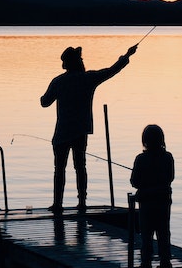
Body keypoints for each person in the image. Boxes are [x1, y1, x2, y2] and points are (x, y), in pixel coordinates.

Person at [40, 44, 137, 213]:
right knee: (80, 167)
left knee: (59, 170)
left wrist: (47, 94)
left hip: (62, 133)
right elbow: (112, 70)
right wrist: (127, 55)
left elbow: (44, 102)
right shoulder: (88, 79)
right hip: (80, 132)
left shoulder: (58, 81)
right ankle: (82, 202)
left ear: (66, 64)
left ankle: (57, 204)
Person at [130, 124, 174, 268]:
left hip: (147, 203)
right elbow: (170, 177)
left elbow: (134, 182)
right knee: (163, 234)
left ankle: (146, 265)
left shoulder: (141, 159)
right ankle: (166, 264)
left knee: (146, 235)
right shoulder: (168, 157)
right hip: (163, 202)